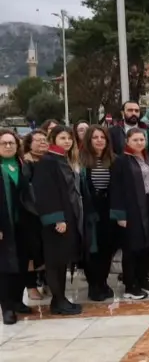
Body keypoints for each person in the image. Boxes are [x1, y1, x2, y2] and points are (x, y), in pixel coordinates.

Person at [31, 126, 85, 315]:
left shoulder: (63, 159)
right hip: (57, 220)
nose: (67, 141)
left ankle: (59, 299)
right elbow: (46, 193)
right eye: (62, 138)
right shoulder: (48, 161)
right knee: (55, 262)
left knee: (62, 260)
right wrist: (57, 219)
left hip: (68, 216)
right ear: (53, 139)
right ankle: (58, 301)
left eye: (69, 138)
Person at [109, 128, 149, 300]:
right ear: (127, 141)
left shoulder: (148, 158)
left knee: (146, 246)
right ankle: (130, 285)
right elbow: (116, 189)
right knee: (132, 248)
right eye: (135, 140)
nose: (139, 143)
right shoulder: (121, 161)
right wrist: (120, 215)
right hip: (131, 209)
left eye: (142, 140)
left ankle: (143, 279)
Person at [0, 130, 36, 324]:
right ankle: (6, 307)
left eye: (11, 143)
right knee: (5, 267)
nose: (8, 146)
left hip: (23, 223)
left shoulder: (22, 165)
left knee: (22, 263)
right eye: (4, 143)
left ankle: (17, 300)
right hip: (4, 225)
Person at [79, 125, 118, 301]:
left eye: (102, 137)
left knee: (107, 247)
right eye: (95, 137)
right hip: (89, 208)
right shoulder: (80, 161)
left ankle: (103, 281)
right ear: (89, 140)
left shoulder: (113, 160)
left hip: (108, 207)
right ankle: (93, 285)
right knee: (92, 249)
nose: (99, 140)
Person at [21, 130, 47, 300]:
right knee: (31, 251)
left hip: (49, 212)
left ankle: (46, 281)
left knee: (46, 249)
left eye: (44, 140)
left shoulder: (50, 161)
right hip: (30, 214)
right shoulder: (24, 163)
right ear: (29, 144)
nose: (41, 143)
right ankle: (31, 286)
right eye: (36, 140)